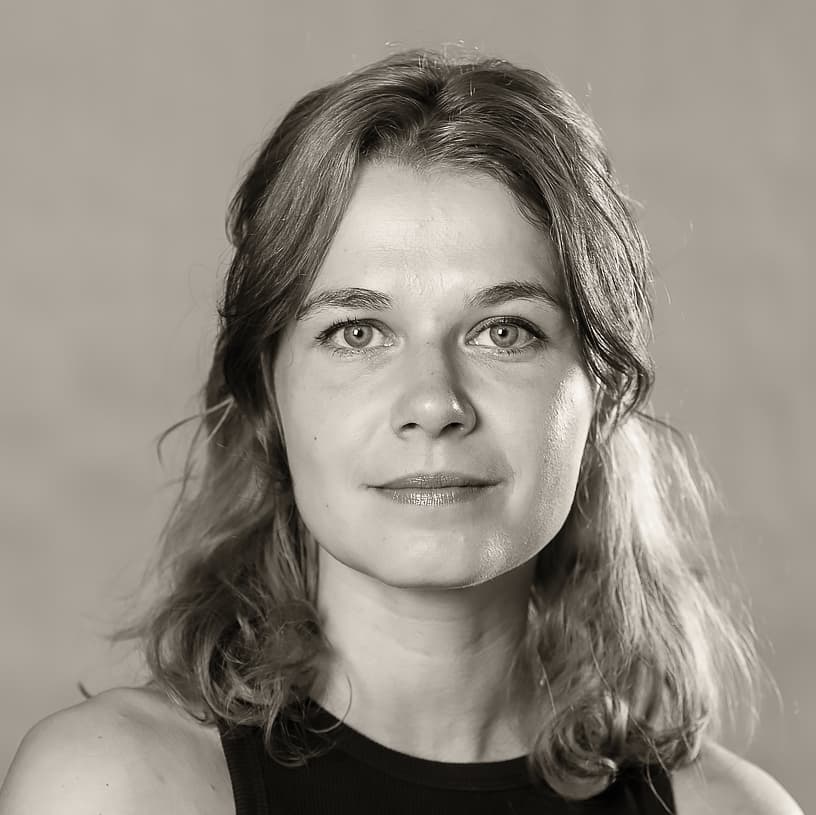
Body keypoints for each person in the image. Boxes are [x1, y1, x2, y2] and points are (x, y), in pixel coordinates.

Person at [0, 48, 803, 815]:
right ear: (267, 392)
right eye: (356, 332)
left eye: (505, 331)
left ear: (602, 389)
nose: (433, 402)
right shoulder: (113, 790)